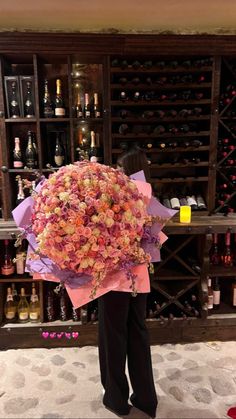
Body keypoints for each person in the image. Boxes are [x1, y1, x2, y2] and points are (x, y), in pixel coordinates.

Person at [98, 146, 158, 418]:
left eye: (120, 168)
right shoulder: (148, 194)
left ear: (126, 170)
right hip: (140, 276)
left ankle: (116, 399)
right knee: (138, 333)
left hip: (114, 277)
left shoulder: (115, 196)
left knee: (113, 336)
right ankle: (146, 400)